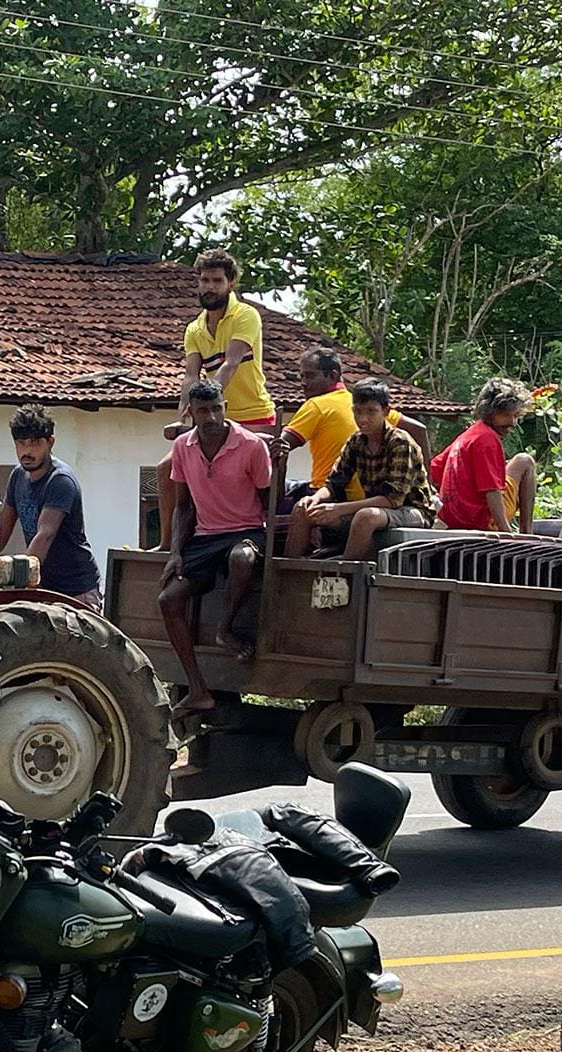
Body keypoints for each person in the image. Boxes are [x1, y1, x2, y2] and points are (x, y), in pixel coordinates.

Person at [159, 381, 273, 718]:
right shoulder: (182, 447)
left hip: (247, 530)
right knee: (168, 600)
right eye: (203, 411)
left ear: (225, 407)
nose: (210, 417)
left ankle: (225, 629)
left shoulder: (251, 445)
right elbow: (183, 507)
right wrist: (175, 552)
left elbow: (269, 503)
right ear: (190, 413)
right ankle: (198, 689)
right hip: (205, 536)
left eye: (216, 409)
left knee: (242, 558)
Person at [156, 249, 277, 551]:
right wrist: (185, 415)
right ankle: (168, 543)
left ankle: (259, 536)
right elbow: (190, 376)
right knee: (166, 467)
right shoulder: (194, 329)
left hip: (253, 416)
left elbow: (231, 364)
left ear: (230, 284)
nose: (209, 287)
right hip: (212, 417)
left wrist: (208, 403)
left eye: (217, 281)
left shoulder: (245, 315)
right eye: (205, 280)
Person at [284, 380, 435, 561]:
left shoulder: (400, 442)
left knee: (366, 516)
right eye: (358, 412)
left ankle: (345, 572)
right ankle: (288, 571)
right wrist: (315, 499)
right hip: (376, 509)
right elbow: (334, 483)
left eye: (371, 412)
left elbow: (392, 499)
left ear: (385, 411)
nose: (363, 419)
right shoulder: (356, 441)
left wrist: (338, 509)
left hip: (412, 511)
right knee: (302, 509)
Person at [274, 348, 430, 509]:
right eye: (302, 377)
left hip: (332, 493)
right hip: (344, 491)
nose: (304, 383)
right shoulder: (364, 414)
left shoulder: (317, 405)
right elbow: (419, 429)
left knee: (286, 500)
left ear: (332, 376)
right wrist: (430, 484)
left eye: (310, 376)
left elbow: (280, 446)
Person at [0, 403, 103, 609]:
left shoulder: (60, 480)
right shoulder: (18, 476)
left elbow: (45, 535)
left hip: (76, 589)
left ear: (50, 442)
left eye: (35, 443)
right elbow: (2, 529)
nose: (27, 451)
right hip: (44, 584)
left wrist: (21, 580)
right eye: (21, 443)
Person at [432, 378, 537, 534]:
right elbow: (492, 491)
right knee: (525, 461)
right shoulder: (488, 439)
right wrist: (506, 532)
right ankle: (527, 532)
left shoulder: (469, 434)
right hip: (481, 520)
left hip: (452, 517)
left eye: (516, 416)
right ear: (490, 412)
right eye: (506, 415)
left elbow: (435, 469)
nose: (513, 423)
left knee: (510, 465)